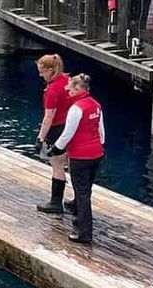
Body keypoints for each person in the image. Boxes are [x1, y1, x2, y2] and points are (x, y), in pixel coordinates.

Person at [52, 73, 104, 245]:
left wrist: (56, 148)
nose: (68, 90)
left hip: (80, 156)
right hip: (96, 154)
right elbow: (101, 133)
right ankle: (78, 216)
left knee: (82, 194)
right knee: (85, 190)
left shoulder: (76, 108)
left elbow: (68, 133)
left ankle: (84, 232)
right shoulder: (96, 105)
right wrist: (97, 146)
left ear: (77, 88)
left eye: (71, 88)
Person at [34, 54, 74, 216]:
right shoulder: (67, 81)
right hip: (71, 127)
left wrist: (40, 138)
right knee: (73, 165)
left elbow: (48, 118)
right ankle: (77, 201)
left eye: (42, 72)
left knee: (57, 165)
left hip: (57, 129)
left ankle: (56, 202)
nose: (40, 75)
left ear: (50, 71)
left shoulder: (52, 91)